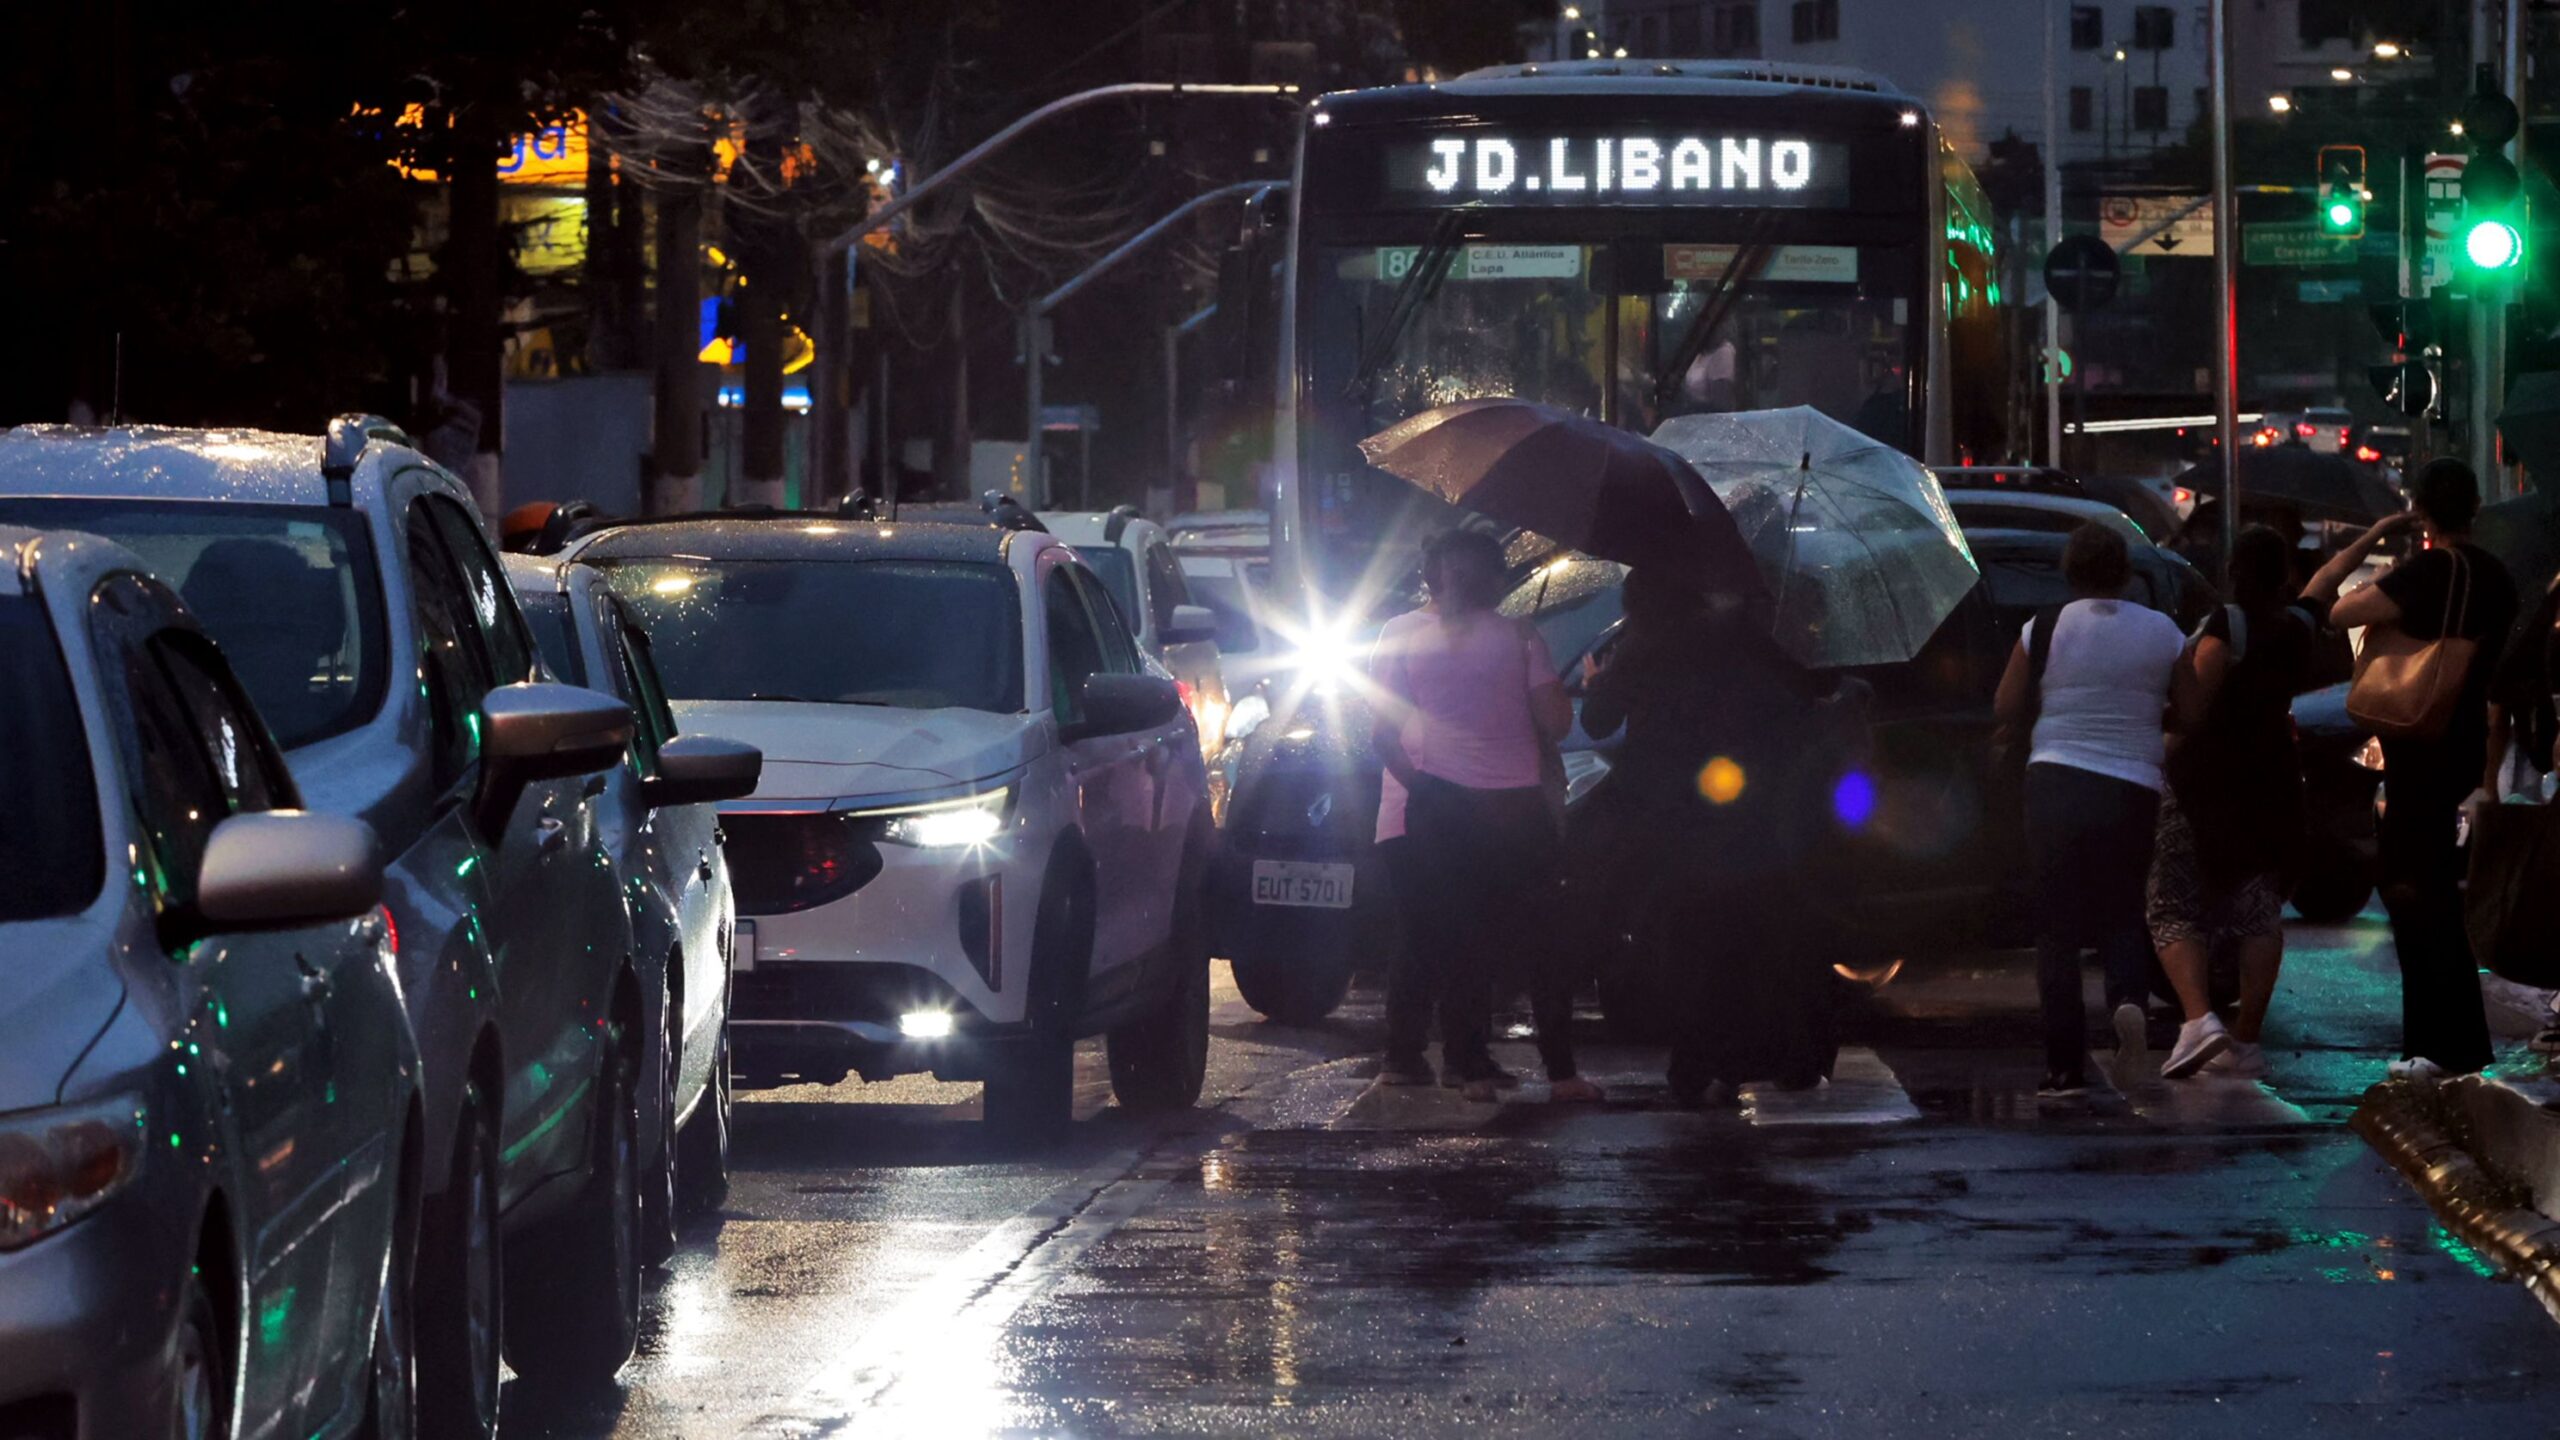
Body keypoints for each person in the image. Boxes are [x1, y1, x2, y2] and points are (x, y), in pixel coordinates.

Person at [1578, 566, 1834, 1107]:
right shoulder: (1740, 636)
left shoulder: (1642, 648)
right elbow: (1792, 701)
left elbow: (1599, 720)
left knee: (1686, 943)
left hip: (1672, 816)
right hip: (1746, 808)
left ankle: (1696, 1063)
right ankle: (1761, 1057)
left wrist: (1598, 680)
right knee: (1749, 937)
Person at [2309, 459, 2519, 1078]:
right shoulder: (2496, 578)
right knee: (2435, 896)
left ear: (2422, 511)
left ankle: (2431, 1045)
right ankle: (2458, 1044)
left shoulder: (2425, 573)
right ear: (2474, 508)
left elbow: (2333, 609)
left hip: (2418, 751)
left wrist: (2377, 537)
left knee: (2411, 894)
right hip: (2463, 743)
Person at [1370, 529, 1595, 1103]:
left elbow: (1382, 733)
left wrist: (1423, 789)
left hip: (1442, 808)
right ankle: (1562, 1073)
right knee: (1542, 941)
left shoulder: (1401, 636)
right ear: (1496, 579)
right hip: (1516, 808)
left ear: (1434, 576)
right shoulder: (1520, 636)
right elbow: (1557, 723)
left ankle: (1467, 1066)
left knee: (1455, 937)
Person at [1994, 522, 2193, 1099]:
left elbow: (2005, 705)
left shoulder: (2043, 628)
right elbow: (2193, 710)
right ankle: (2127, 999)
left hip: (2054, 781)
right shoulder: (2163, 632)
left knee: (2056, 928)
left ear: (2070, 571)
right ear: (2125, 573)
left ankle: (2064, 1069)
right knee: (2123, 911)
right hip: (2131, 786)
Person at [2150, 526, 2319, 1081]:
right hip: (2273, 781)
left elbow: (2194, 707)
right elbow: (2325, 588)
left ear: (2233, 569)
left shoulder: (2227, 625)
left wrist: (2158, 752)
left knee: (2173, 904)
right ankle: (2247, 1037)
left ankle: (2199, 1019)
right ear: (2284, 574)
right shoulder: (2297, 627)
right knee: (2259, 911)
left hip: (2210, 783)